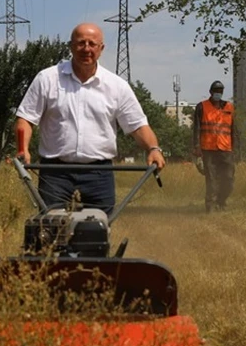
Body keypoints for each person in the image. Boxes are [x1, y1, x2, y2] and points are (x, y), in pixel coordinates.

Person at [15, 22, 166, 213]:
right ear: (70, 46)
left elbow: (137, 125)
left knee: (98, 231)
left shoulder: (116, 86)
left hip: (99, 174)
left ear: (101, 48)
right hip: (55, 173)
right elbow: (25, 119)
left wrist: (153, 148)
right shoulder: (47, 79)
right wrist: (23, 149)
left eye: (92, 44)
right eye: (81, 43)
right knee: (50, 228)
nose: (86, 49)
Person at [193, 80, 236, 212]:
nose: (218, 93)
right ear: (211, 92)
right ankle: (210, 206)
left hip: (226, 148)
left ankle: (221, 201)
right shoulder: (202, 107)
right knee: (211, 179)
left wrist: (235, 148)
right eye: (216, 91)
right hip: (208, 148)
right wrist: (196, 146)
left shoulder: (229, 107)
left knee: (228, 178)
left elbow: (233, 129)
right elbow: (196, 128)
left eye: (220, 91)